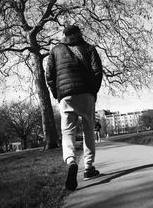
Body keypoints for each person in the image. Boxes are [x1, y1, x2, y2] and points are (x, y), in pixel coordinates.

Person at [45, 25, 103, 191]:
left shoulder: (55, 50)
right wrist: (93, 92)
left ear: (64, 35)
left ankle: (71, 161)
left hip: (66, 95)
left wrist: (58, 94)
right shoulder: (89, 48)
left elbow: (49, 75)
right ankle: (88, 168)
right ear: (79, 34)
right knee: (88, 131)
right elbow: (97, 71)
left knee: (68, 131)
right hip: (86, 94)